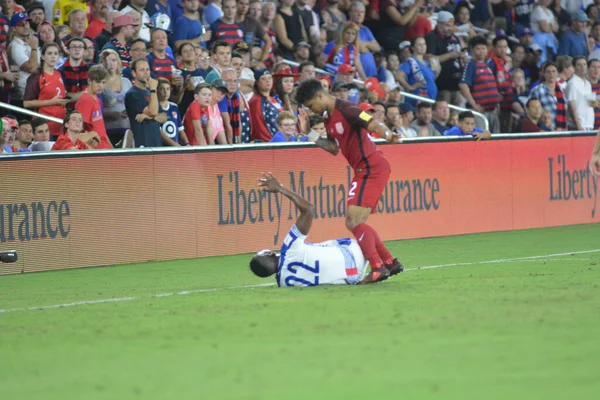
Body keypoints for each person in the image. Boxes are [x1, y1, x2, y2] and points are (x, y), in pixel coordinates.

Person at [295, 79, 404, 284]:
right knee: (355, 222)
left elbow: (372, 123)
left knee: (353, 221)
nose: (312, 110)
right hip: (365, 169)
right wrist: (307, 132)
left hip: (371, 167)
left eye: (311, 105)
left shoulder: (347, 109)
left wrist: (388, 135)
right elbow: (333, 148)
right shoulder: (328, 118)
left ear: (320, 96)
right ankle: (389, 262)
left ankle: (377, 268)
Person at [249, 172, 380, 286]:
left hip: (354, 277)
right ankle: (384, 263)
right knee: (357, 227)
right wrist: (280, 188)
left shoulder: (284, 283)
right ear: (268, 253)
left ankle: (383, 265)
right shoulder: (289, 248)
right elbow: (309, 210)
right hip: (355, 253)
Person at [23, 43, 69, 138]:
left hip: (61, 126)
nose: (53, 56)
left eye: (56, 54)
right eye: (50, 53)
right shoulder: (36, 77)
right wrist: (51, 102)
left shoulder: (60, 74)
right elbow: (26, 103)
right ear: (43, 56)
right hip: (44, 128)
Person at [459, 35, 501, 133]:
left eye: (483, 48)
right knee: (481, 139)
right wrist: (474, 105)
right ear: (472, 50)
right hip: (480, 112)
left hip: (493, 110)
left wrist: (496, 102)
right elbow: (463, 84)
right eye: (478, 48)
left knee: (495, 140)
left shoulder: (488, 65)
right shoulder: (471, 64)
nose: (481, 51)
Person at [125, 58, 163, 147]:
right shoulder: (132, 94)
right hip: (142, 142)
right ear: (134, 73)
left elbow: (164, 116)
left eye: (147, 69)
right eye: (142, 70)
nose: (146, 72)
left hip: (156, 141)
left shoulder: (150, 93)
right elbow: (153, 111)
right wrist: (153, 89)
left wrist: (149, 117)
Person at [75, 64, 113, 149]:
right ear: (89, 81)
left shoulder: (97, 99)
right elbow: (79, 131)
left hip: (103, 147)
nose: (101, 86)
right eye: (98, 82)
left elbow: (101, 129)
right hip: (95, 150)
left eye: (103, 82)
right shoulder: (85, 100)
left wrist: (111, 147)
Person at [157, 78, 187, 146]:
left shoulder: (174, 107)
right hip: (162, 148)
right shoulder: (154, 109)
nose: (165, 92)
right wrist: (176, 146)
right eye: (162, 89)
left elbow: (180, 129)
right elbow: (160, 133)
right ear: (156, 90)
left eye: (168, 89)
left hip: (176, 148)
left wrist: (187, 143)